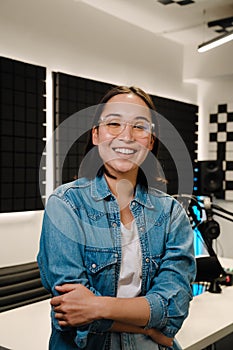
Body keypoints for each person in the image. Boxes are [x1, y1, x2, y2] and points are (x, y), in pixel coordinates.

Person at [37, 86, 196, 350]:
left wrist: (98, 305)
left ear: (151, 141)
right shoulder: (65, 204)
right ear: (96, 135)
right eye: (114, 123)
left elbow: (175, 306)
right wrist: (154, 329)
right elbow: (71, 311)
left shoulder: (171, 212)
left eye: (139, 127)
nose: (127, 136)